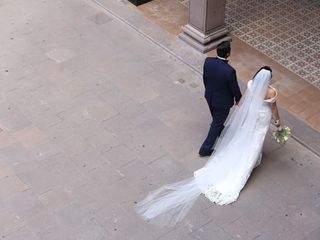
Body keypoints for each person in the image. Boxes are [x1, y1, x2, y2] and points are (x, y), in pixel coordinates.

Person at [136, 66, 281, 226]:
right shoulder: (271, 92)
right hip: (261, 118)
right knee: (255, 141)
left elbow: (244, 99)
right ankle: (246, 165)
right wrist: (278, 122)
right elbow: (273, 108)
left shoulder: (252, 83)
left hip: (251, 118)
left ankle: (245, 158)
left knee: (245, 140)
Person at [199, 41, 242, 157]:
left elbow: (205, 78)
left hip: (209, 96)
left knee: (217, 119)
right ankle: (205, 148)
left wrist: (208, 91)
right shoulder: (229, 71)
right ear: (228, 54)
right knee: (216, 123)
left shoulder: (208, 61)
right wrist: (239, 99)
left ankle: (220, 129)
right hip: (222, 102)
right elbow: (234, 88)